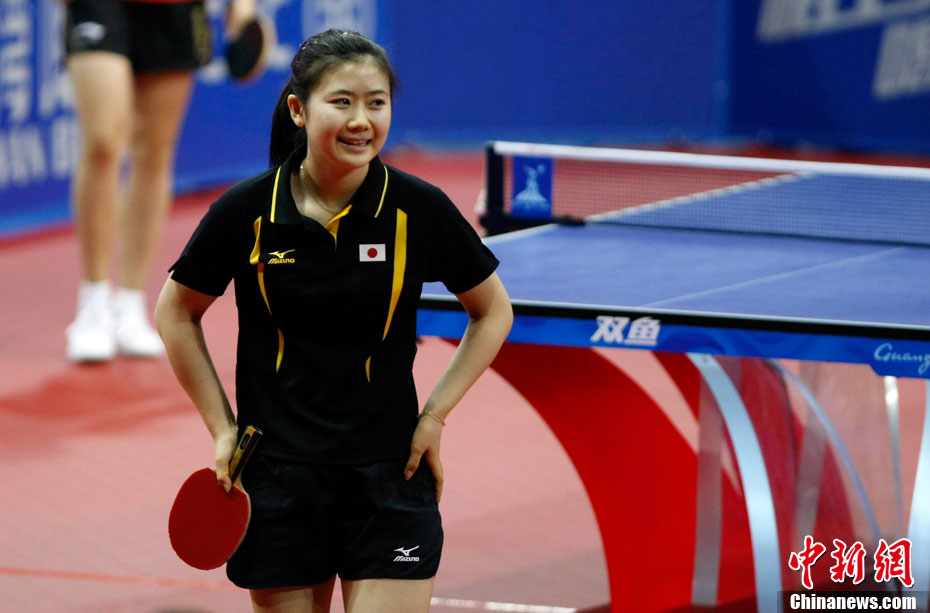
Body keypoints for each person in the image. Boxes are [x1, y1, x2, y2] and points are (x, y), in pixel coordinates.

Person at [154, 29, 513, 612]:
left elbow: (492, 309)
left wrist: (435, 416)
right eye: (341, 102)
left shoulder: (416, 209)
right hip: (279, 477)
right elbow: (175, 312)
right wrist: (222, 428)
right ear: (299, 110)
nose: (361, 120)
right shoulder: (248, 211)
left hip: (390, 473)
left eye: (377, 103)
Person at [63, 0, 257, 361]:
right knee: (103, 142)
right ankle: (93, 302)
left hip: (175, 10)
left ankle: (129, 302)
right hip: (101, 6)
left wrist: (243, 10)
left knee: (154, 151)